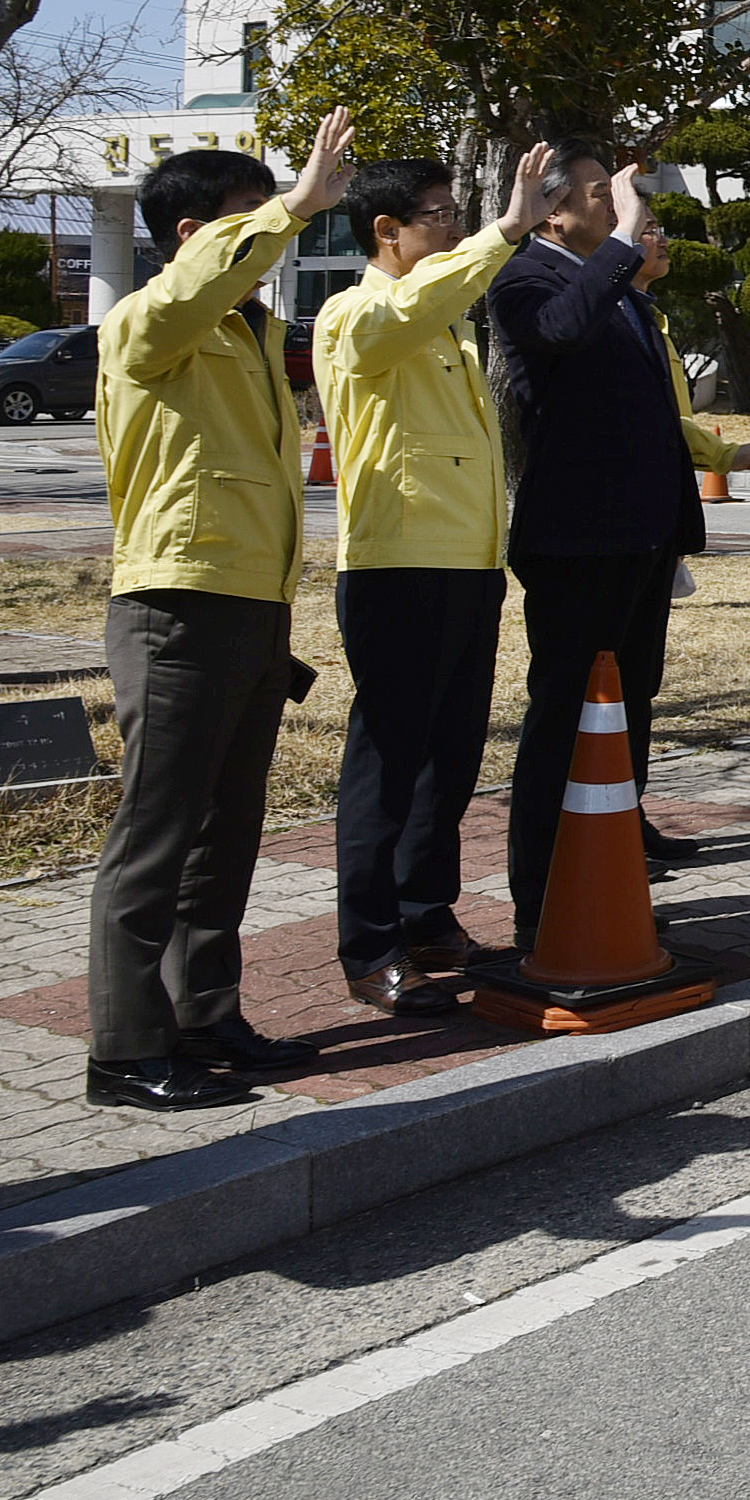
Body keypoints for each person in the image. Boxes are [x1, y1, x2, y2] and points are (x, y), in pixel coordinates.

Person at [86, 111, 357, 1112]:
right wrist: (292, 205)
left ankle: (205, 1012)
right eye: (249, 220)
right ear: (193, 233)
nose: (276, 238)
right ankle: (122, 1047)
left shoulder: (249, 332)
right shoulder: (149, 321)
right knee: (155, 834)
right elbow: (189, 291)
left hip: (250, 606)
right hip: (176, 603)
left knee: (226, 830)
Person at [491, 148, 750, 931]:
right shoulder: (528, 278)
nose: (626, 210)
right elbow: (558, 331)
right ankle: (540, 897)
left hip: (642, 537)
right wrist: (619, 245)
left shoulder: (625, 297)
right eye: (600, 195)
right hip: (578, 539)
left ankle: (615, 852)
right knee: (566, 716)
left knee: (627, 706)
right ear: (553, 212)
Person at [313, 149, 547, 1016]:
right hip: (398, 563)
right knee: (389, 759)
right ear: (388, 230)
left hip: (469, 562)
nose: (456, 227)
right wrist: (508, 230)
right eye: (441, 215)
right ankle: (370, 945)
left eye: (459, 213)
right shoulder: (355, 312)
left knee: (448, 757)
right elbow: (408, 309)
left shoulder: (444, 320)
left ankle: (424, 910)